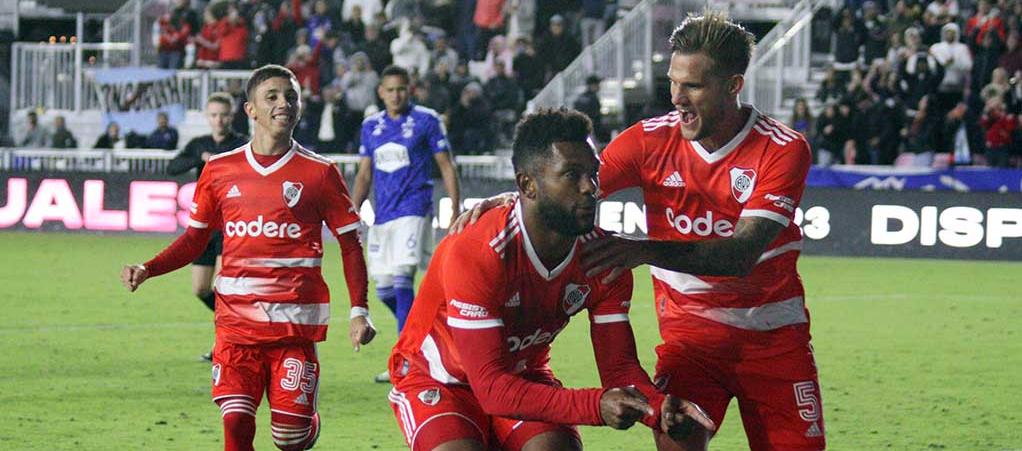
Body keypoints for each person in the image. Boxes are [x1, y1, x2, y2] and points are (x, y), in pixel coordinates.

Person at [455, 13, 825, 451]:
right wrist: (517, 196)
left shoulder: (781, 149)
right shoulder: (648, 141)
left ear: (733, 86)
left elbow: (740, 254)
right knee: (675, 436)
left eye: (693, 86)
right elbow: (573, 187)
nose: (677, 98)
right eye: (673, 82)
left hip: (774, 341)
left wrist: (640, 250)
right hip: (690, 346)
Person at [388, 108, 715, 451]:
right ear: (527, 185)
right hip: (439, 380)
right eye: (572, 175)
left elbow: (619, 369)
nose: (590, 188)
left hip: (523, 376)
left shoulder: (604, 260)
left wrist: (658, 407)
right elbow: (492, 389)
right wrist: (594, 406)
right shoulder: (478, 250)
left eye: (593, 173)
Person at [120, 65, 376, 451]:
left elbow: (350, 243)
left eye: (290, 96)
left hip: (293, 330)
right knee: (237, 426)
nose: (283, 104)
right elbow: (195, 239)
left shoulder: (321, 173)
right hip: (235, 330)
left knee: (289, 439)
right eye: (271, 96)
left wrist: (360, 309)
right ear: (251, 109)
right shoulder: (219, 170)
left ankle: (305, 425)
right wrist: (149, 268)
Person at [352, 65, 460, 383]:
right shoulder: (370, 127)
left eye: (402, 89)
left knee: (402, 280)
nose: (396, 94)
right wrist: (351, 212)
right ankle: (428, 332)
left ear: (409, 90)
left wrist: (454, 210)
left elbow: (446, 166)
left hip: (415, 209)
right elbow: (363, 174)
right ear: (381, 92)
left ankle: (405, 361)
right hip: (383, 216)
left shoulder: (427, 120)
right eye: (390, 89)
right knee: (384, 288)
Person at [166, 92, 249, 361]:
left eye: (224, 114)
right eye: (214, 115)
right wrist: (200, 157)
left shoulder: (241, 144)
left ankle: (227, 343)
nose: (219, 120)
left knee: (226, 290)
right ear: (207, 116)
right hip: (204, 225)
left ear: (232, 115)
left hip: (232, 224)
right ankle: (240, 329)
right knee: (201, 289)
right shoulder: (199, 144)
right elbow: (173, 167)